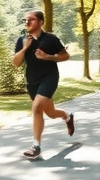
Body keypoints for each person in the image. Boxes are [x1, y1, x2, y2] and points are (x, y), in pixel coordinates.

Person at [13, 10, 75, 158]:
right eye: (25, 20)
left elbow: (65, 55)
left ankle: (36, 147)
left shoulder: (50, 39)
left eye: (31, 20)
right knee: (51, 113)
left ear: (41, 22)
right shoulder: (22, 40)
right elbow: (16, 63)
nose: (27, 22)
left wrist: (49, 56)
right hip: (32, 81)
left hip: (49, 77)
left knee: (36, 108)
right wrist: (25, 48)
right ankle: (67, 116)